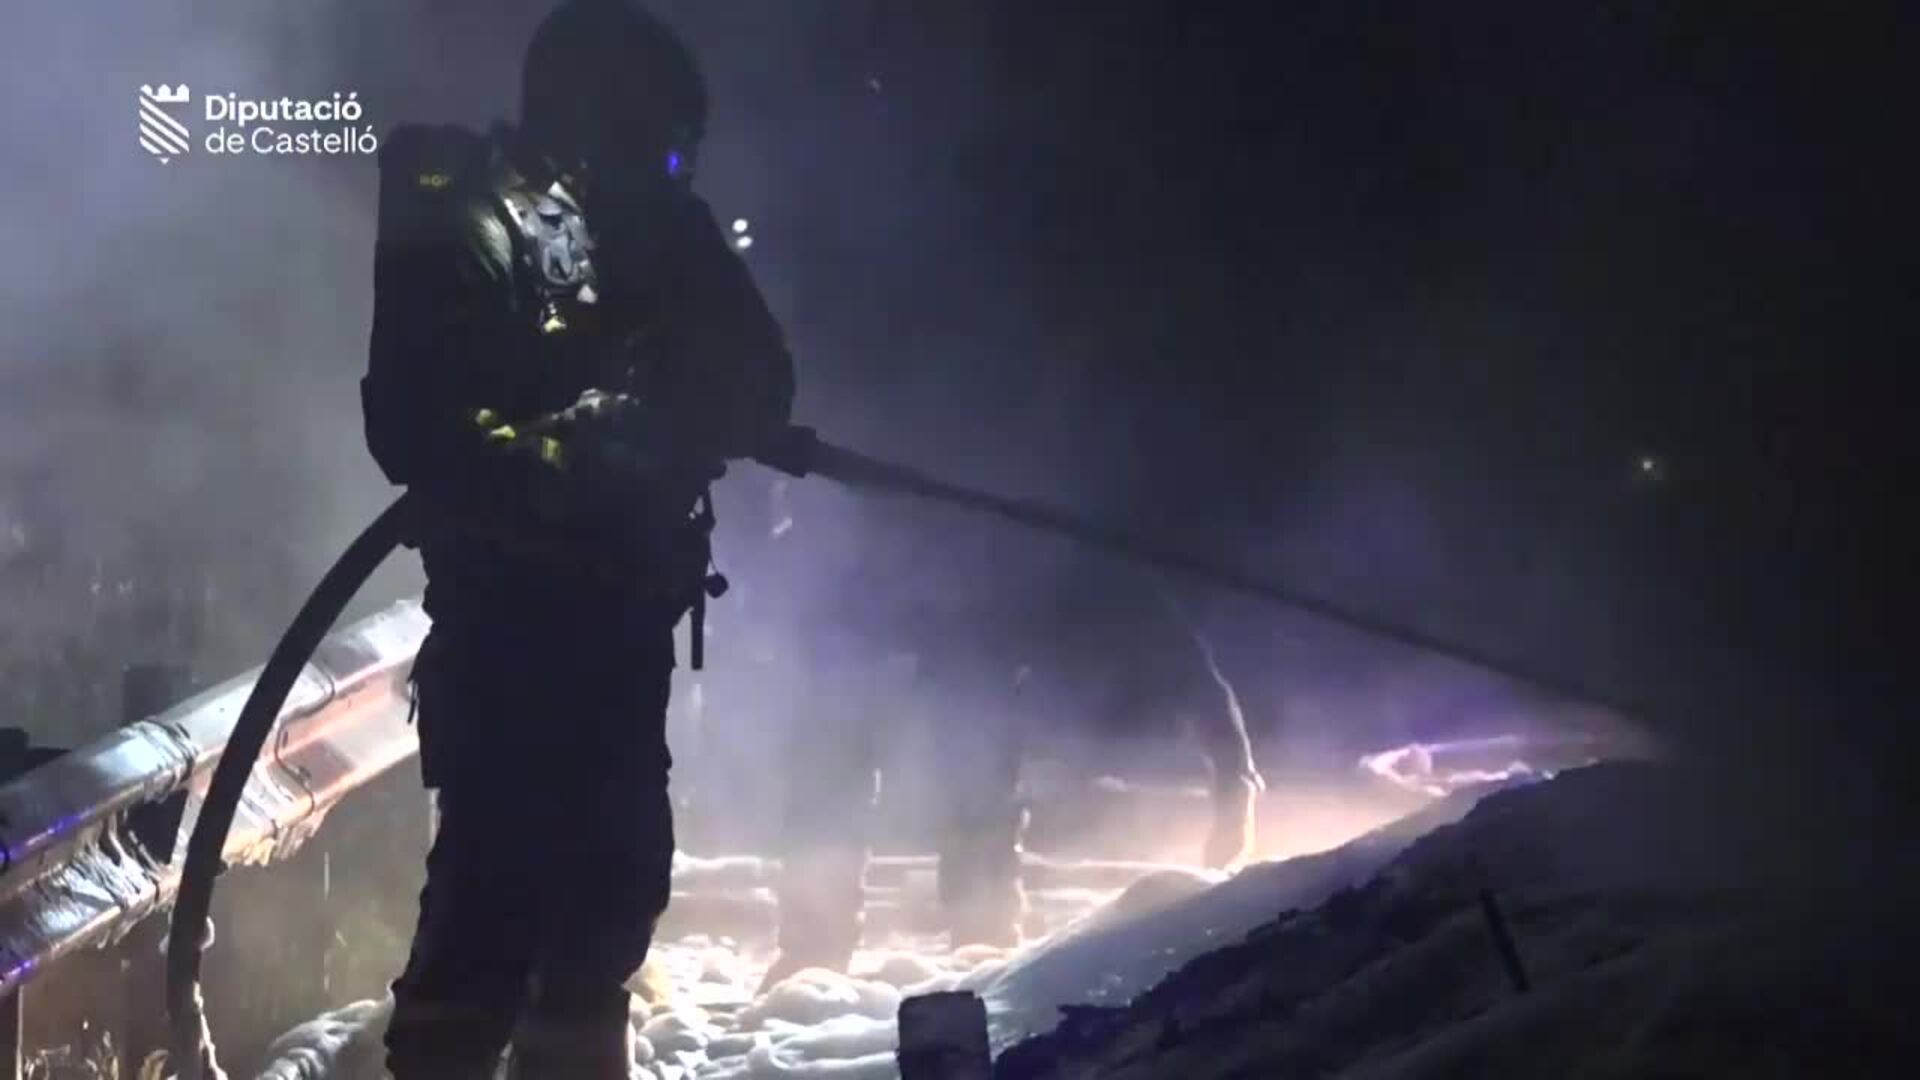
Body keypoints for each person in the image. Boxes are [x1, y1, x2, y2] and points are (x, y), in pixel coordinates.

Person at [359, 1, 794, 1075]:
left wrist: (678, 406)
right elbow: (421, 429)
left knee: (611, 901)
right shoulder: (469, 221)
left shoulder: (661, 231)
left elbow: (761, 383)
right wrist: (597, 444)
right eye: (662, 145)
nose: (675, 172)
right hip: (510, 639)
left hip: (618, 633)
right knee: (490, 917)